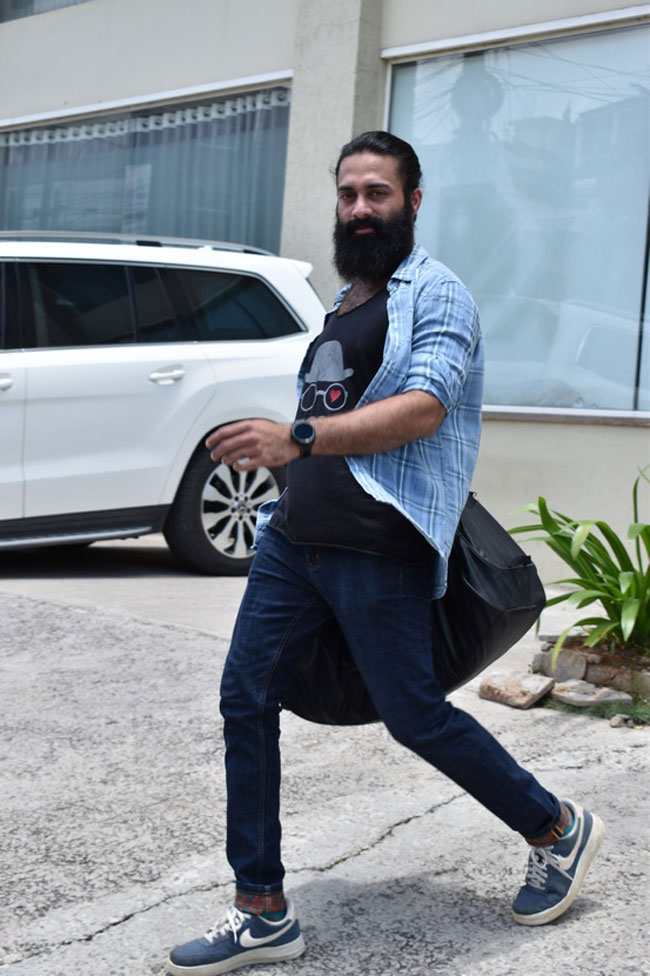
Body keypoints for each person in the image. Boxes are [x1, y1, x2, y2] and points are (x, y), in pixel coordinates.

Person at [166, 131, 604, 976]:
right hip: (295, 542)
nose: (361, 209)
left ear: (412, 200)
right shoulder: (342, 303)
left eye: (378, 193)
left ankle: (556, 826)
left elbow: (425, 408)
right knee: (243, 699)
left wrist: (294, 434)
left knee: (414, 715)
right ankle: (261, 910)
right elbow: (331, 410)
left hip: (378, 545)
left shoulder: (436, 295)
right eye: (349, 195)